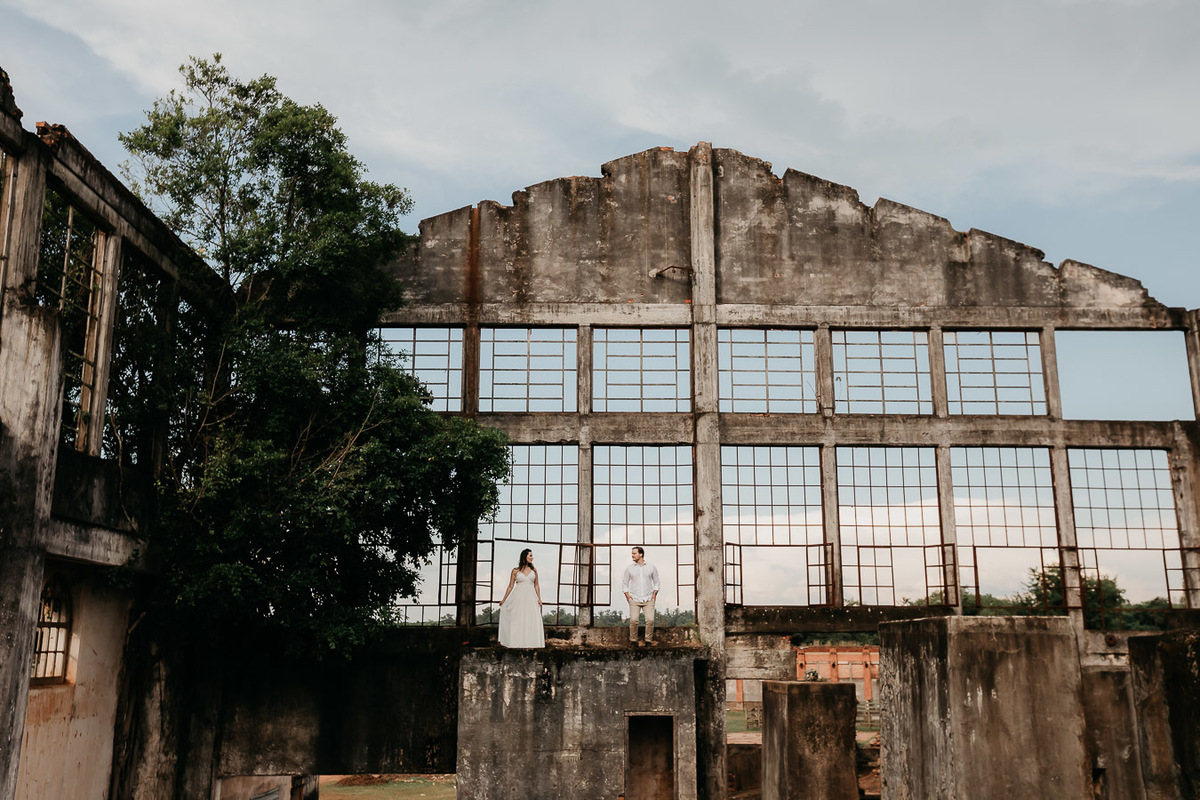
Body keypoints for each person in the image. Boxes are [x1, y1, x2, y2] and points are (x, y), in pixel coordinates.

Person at [498, 548, 545, 648]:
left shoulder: (534, 571)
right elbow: (510, 586)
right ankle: (516, 642)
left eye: (532, 555)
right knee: (517, 619)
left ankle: (532, 642)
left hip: (531, 597)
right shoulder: (515, 571)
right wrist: (503, 599)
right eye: (530, 556)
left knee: (532, 618)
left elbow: (536, 585)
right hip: (518, 597)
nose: (532, 558)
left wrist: (539, 598)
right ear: (525, 556)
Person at [622, 546, 660, 647]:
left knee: (650, 620)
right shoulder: (629, 568)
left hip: (648, 598)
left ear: (641, 554)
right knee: (634, 620)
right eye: (632, 553)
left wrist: (654, 594)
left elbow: (657, 582)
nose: (632, 555)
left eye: (634, 553)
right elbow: (624, 584)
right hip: (634, 598)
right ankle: (633, 640)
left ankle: (648, 640)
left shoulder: (651, 567)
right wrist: (628, 597)